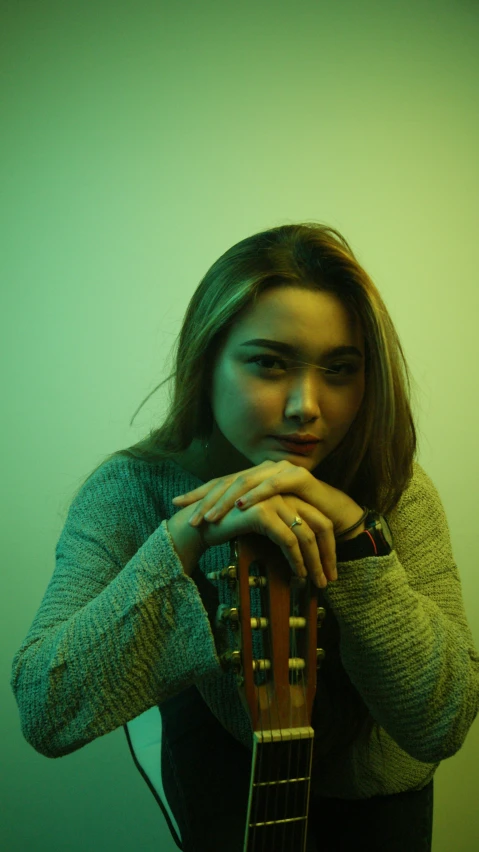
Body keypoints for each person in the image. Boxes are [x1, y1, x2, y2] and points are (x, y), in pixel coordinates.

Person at [11, 222, 479, 852]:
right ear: (207, 361)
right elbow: (47, 707)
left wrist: (356, 537)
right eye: (269, 363)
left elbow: (442, 721)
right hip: (222, 774)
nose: (305, 406)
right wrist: (187, 535)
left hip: (380, 798)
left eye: (340, 369)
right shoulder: (132, 489)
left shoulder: (397, 488)